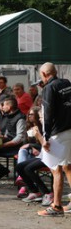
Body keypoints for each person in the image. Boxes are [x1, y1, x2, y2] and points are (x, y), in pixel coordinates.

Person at [37, 62, 71, 216]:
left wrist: (45, 137)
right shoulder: (66, 83)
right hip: (70, 130)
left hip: (58, 132)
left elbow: (48, 113)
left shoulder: (49, 88)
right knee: (67, 166)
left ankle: (56, 206)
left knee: (55, 168)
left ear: (44, 74)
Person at [0, 95, 26, 186]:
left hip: (14, 146)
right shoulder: (5, 115)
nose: (2, 107)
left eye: (4, 105)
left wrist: (5, 144)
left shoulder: (20, 118)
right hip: (3, 142)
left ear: (9, 107)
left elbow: (19, 138)